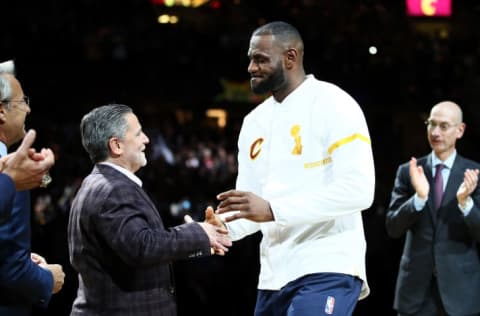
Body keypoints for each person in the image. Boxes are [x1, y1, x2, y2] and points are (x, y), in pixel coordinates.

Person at [213, 21, 375, 316]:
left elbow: (360, 190)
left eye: (261, 59)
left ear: (290, 58)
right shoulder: (253, 123)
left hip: (328, 263)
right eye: (250, 58)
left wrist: (273, 209)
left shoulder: (335, 103)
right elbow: (252, 210)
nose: (251, 67)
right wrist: (221, 227)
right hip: (273, 274)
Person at [68, 104, 232, 315]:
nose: (146, 139)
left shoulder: (103, 184)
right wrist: (197, 233)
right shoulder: (112, 189)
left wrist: (202, 237)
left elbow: (140, 246)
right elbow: (142, 246)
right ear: (116, 145)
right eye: (138, 134)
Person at [386, 101, 480, 316]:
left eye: (444, 126)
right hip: (415, 293)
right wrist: (418, 199)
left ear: (460, 130)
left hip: (462, 294)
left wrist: (466, 203)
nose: (436, 132)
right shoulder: (408, 172)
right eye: (431, 124)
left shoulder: (475, 174)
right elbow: (392, 227)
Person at [0, 61, 65, 315]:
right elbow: (10, 271)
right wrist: (49, 280)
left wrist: (23, 257)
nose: (28, 108)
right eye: (21, 101)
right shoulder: (11, 174)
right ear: (2, 111)